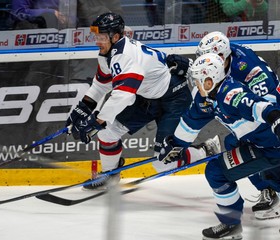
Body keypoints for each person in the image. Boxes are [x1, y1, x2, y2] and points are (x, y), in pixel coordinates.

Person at [65, 12, 198, 190]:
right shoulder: (107, 54)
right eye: (96, 37)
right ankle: (110, 175)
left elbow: (123, 96)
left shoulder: (126, 56)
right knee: (107, 134)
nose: (97, 41)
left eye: (101, 37)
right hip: (147, 98)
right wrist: (81, 110)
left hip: (174, 98)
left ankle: (203, 151)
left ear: (116, 37)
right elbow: (100, 86)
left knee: (163, 163)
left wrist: (96, 121)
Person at [158, 52, 280, 239]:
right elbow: (191, 123)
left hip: (270, 148)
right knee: (224, 169)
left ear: (209, 81)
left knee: (217, 172)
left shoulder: (231, 94)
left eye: (198, 81)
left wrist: (276, 119)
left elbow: (260, 107)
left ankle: (231, 224)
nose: (195, 85)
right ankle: (231, 224)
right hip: (258, 145)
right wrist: (176, 144)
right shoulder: (205, 98)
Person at [196, 31, 280, 220]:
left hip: (271, 120)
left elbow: (270, 102)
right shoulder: (224, 58)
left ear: (220, 56)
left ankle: (272, 190)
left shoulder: (248, 67)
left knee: (255, 148)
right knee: (234, 143)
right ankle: (268, 189)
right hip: (260, 117)